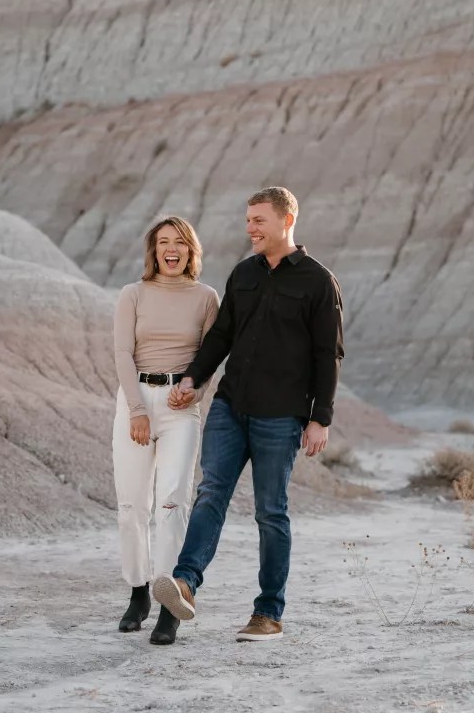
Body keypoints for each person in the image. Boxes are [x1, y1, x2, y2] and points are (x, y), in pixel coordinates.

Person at [153, 186, 343, 642]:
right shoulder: (243, 274)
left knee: (270, 512)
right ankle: (185, 583)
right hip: (230, 407)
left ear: (287, 219)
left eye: (258, 220)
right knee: (212, 493)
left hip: (282, 416)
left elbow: (328, 353)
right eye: (248, 219)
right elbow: (220, 337)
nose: (250, 228)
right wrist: (192, 378)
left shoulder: (318, 281)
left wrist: (321, 418)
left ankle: (268, 613)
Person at [112, 216, 219, 645]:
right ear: (153, 250)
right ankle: (138, 592)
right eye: (162, 243)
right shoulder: (132, 294)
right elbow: (123, 352)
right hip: (136, 401)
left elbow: (209, 357)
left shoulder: (207, 298)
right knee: (131, 505)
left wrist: (194, 393)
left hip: (181, 408)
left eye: (179, 243)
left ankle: (169, 602)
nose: (171, 250)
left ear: (191, 250)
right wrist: (137, 409)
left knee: (173, 503)